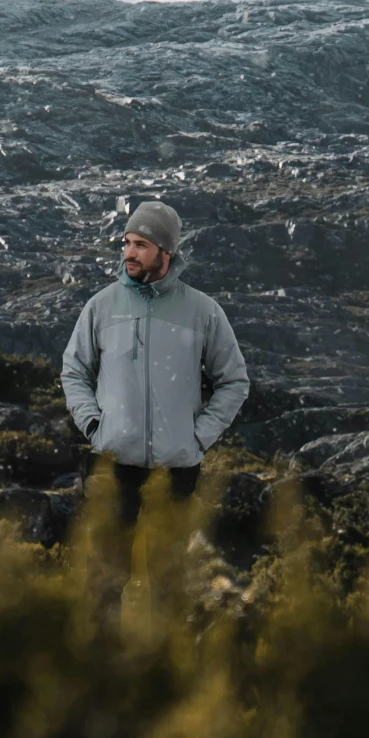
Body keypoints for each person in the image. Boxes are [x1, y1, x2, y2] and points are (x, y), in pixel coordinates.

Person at [59, 200, 249, 523]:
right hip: (111, 462)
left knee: (167, 570)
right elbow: (74, 372)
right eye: (127, 243)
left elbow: (234, 381)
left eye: (141, 245)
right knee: (109, 569)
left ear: (166, 253)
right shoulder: (100, 307)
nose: (129, 253)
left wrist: (199, 436)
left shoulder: (202, 311)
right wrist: (93, 425)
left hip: (177, 471)